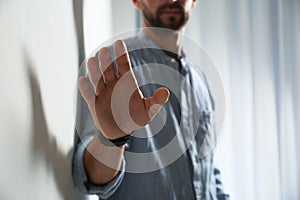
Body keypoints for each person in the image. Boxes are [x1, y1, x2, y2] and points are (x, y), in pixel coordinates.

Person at [72, 0, 229, 199]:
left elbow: (209, 170)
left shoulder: (200, 81)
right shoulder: (116, 67)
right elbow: (91, 177)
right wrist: (112, 139)